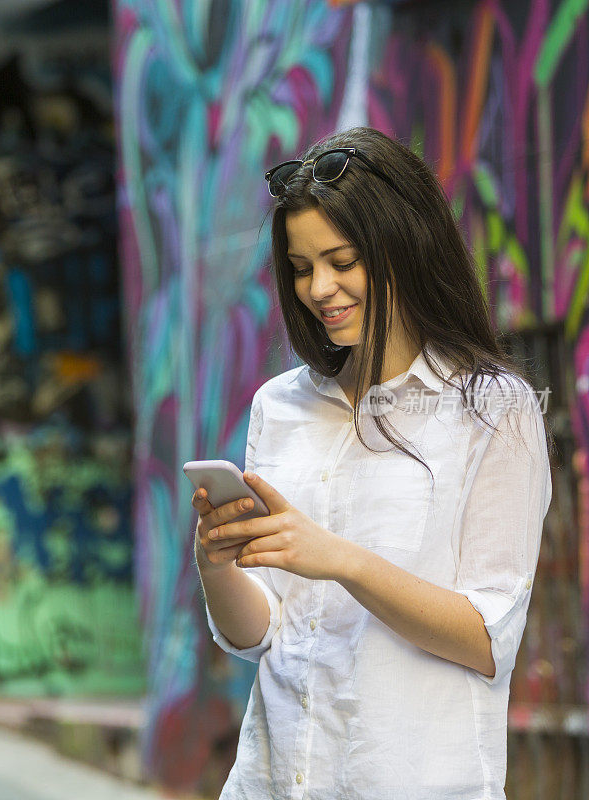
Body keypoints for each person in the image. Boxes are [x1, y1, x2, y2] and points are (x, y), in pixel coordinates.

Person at [191, 127, 553, 799]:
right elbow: (259, 635)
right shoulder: (281, 405)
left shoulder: (494, 411)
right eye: (301, 268)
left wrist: (341, 559)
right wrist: (216, 563)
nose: (318, 288)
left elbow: (486, 638)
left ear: (402, 246)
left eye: (342, 260)